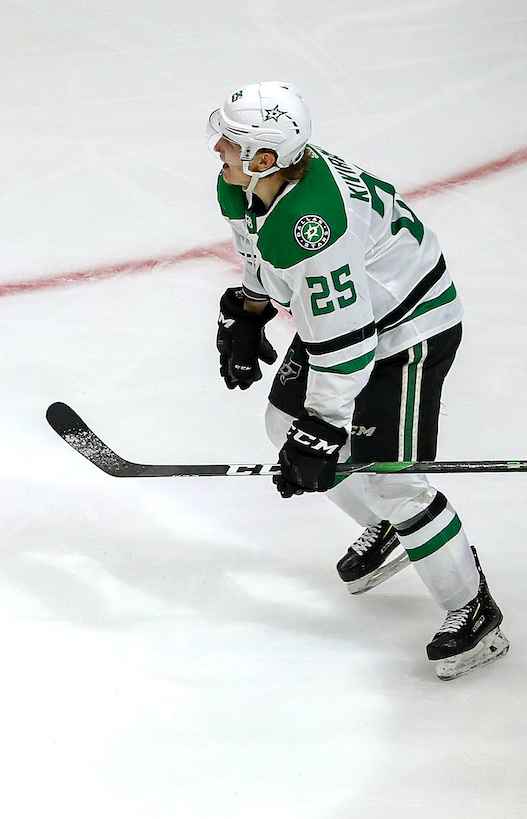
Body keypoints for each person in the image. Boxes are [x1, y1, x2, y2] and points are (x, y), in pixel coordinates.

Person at [208, 81, 508, 680]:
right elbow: (262, 255)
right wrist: (249, 307)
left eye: (231, 141)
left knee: (391, 480)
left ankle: (472, 609)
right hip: (358, 320)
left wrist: (324, 425)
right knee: (282, 424)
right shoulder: (247, 185)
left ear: (265, 158)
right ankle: (390, 533)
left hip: (408, 330)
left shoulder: (316, 224)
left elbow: (346, 342)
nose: (218, 147)